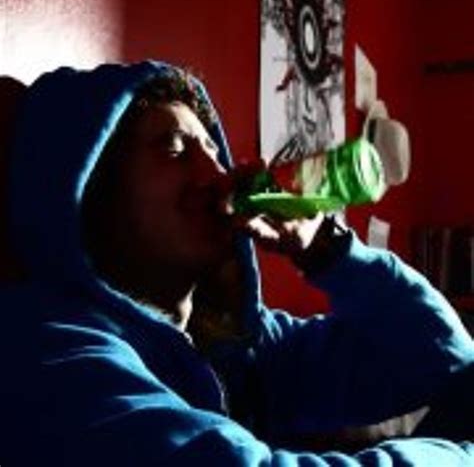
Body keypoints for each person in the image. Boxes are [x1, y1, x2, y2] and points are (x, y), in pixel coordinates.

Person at [1, 60, 473, 466]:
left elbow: (442, 359)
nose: (215, 175)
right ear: (90, 190)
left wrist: (324, 248)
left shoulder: (229, 344)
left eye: (212, 151)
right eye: (174, 149)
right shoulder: (47, 350)